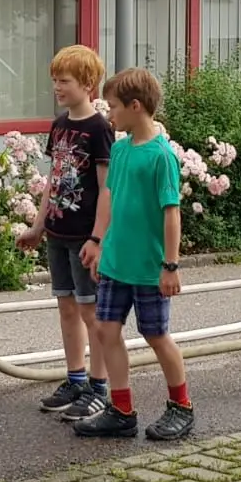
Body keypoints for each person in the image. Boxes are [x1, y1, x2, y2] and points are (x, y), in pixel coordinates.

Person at [75, 67, 195, 442]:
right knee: (106, 329)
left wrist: (170, 266)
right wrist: (98, 242)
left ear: (136, 106)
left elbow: (170, 212)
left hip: (147, 268)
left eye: (113, 107)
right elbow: (109, 196)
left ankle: (181, 406)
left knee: (156, 334)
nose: (109, 115)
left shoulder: (161, 156)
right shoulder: (121, 149)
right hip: (115, 264)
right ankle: (122, 409)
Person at [18, 45, 114, 421]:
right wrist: (39, 226)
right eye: (55, 80)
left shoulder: (99, 130)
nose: (57, 87)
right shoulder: (59, 126)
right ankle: (75, 378)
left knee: (92, 312)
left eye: (65, 81)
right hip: (58, 232)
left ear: (88, 84)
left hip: (84, 237)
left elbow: (106, 188)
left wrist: (97, 238)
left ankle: (99, 385)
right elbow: (53, 181)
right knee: (67, 309)